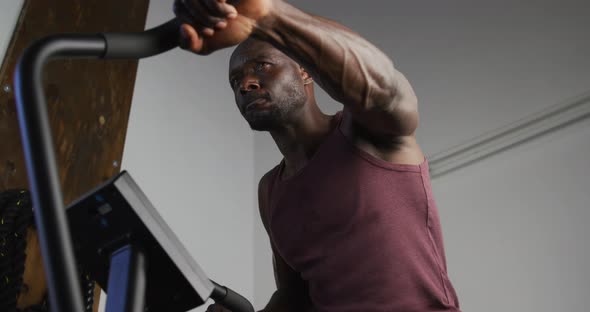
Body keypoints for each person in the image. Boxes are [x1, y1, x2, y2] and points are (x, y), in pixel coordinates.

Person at [173, 0, 461, 311]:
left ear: (304, 71)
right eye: (235, 81)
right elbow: (295, 295)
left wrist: (268, 15)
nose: (245, 84)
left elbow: (385, 89)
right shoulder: (270, 191)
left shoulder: (363, 131)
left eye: (262, 66)